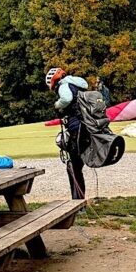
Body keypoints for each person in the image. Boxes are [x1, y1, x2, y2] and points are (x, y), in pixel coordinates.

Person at [47, 67, 91, 200]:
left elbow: (66, 99)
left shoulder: (63, 85)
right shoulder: (78, 84)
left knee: (73, 166)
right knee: (77, 165)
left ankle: (77, 202)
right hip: (87, 125)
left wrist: (57, 105)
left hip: (76, 127)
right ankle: (79, 200)